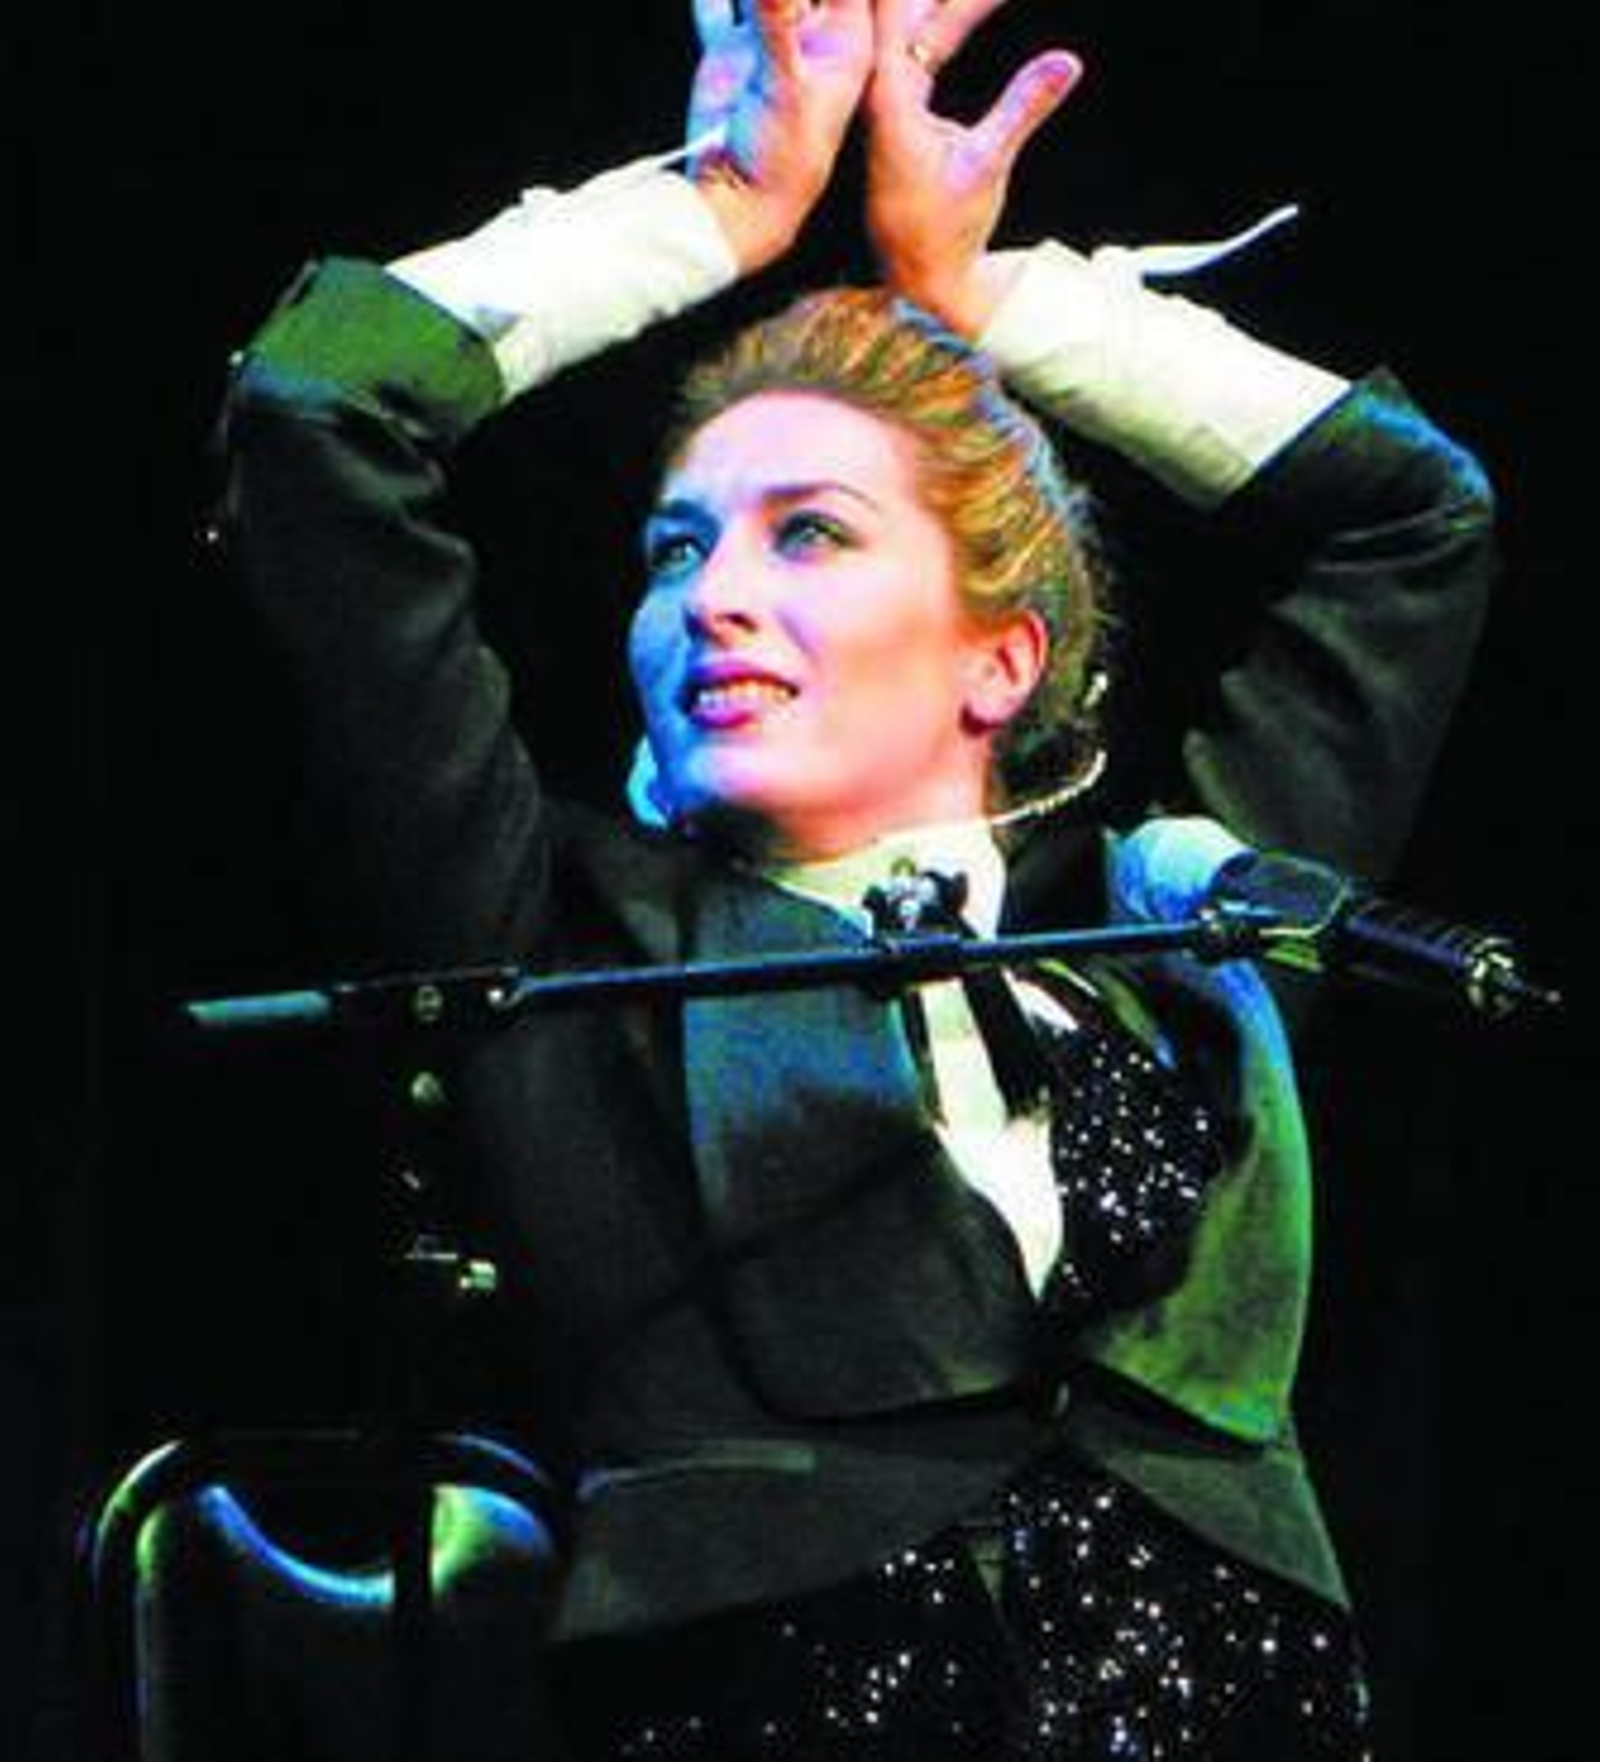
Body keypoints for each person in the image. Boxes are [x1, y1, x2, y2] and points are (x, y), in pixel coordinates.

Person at [213, 0, 1495, 1754]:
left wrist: (993, 298)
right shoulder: (555, 940)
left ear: (1001, 659)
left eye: (808, 531)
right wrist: (712, 212)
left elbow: (1415, 520)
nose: (715, 597)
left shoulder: (1185, 931)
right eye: (676, 549)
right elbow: (318, 410)